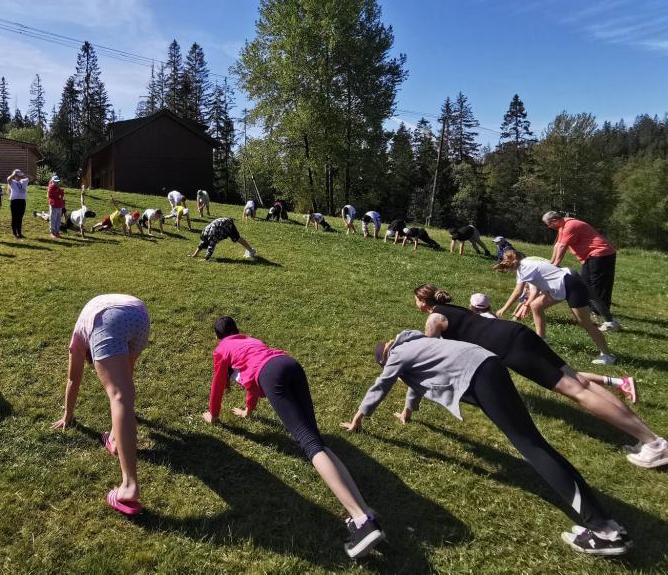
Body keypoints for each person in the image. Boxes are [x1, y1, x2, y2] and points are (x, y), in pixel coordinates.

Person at [344, 332, 635, 556]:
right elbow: (414, 383)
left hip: (479, 376)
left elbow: (381, 385)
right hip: (489, 362)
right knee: (534, 442)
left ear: (386, 357)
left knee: (531, 447)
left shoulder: (397, 354)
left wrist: (358, 417)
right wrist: (408, 411)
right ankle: (605, 522)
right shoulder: (419, 343)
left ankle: (604, 529)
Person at [415, 284, 665, 467]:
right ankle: (648, 438)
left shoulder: (435, 317)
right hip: (518, 333)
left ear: (422, 302)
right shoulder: (452, 308)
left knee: (576, 391)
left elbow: (427, 350)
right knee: (582, 381)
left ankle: (654, 444)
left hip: (509, 348)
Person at [203, 317, 384, 558]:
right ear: (237, 330)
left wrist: (213, 415)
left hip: (272, 375)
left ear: (218, 337)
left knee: (309, 445)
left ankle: (362, 522)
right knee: (316, 441)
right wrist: (249, 410)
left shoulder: (222, 348)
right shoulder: (250, 340)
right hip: (290, 364)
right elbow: (253, 376)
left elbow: (219, 384)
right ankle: (365, 513)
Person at [52, 294, 151, 516]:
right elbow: (127, 371)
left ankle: (129, 486)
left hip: (109, 317)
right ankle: (115, 439)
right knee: (124, 387)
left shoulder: (78, 340)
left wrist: (68, 415)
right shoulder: (88, 327)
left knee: (118, 395)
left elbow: (72, 380)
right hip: (140, 314)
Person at [494, 250, 615, 365]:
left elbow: (517, 292)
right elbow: (535, 288)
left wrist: (503, 309)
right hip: (559, 289)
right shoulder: (525, 264)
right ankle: (541, 339)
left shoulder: (524, 269)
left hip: (572, 287)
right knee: (536, 305)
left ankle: (607, 355)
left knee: (585, 323)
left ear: (508, 265)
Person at [543, 211, 620, 332]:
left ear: (554, 221)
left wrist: (556, 264)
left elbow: (563, 247)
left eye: (548, 224)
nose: (548, 227)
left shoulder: (570, 226)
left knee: (597, 286)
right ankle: (594, 311)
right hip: (590, 256)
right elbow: (558, 245)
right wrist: (551, 263)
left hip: (601, 255)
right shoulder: (563, 226)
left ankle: (605, 319)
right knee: (585, 284)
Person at [189, 218, 256, 261]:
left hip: (227, 224)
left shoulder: (211, 236)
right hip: (222, 223)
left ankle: (251, 250)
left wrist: (206, 259)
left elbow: (211, 248)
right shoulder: (204, 235)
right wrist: (195, 255)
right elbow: (202, 243)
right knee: (236, 239)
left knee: (237, 238)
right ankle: (250, 250)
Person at [7, 169, 30, 239]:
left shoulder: (23, 181)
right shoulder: (13, 182)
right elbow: (8, 179)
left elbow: (31, 178)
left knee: (20, 218)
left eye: (19, 175)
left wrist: (23, 174)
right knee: (14, 218)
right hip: (14, 201)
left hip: (22, 201)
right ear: (15, 176)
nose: (19, 177)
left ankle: (19, 233)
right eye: (17, 175)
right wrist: (14, 174)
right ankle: (14, 233)